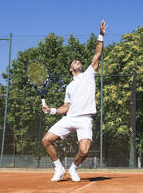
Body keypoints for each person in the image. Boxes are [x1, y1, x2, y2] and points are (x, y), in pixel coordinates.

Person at [41, 20, 108, 182]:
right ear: (71, 69)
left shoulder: (89, 75)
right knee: (46, 140)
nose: (77, 61)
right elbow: (66, 107)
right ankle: (58, 168)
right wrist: (51, 111)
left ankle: (73, 168)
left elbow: (97, 55)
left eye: (79, 62)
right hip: (70, 118)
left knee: (84, 151)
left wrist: (101, 36)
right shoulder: (69, 87)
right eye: (74, 62)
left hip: (85, 119)